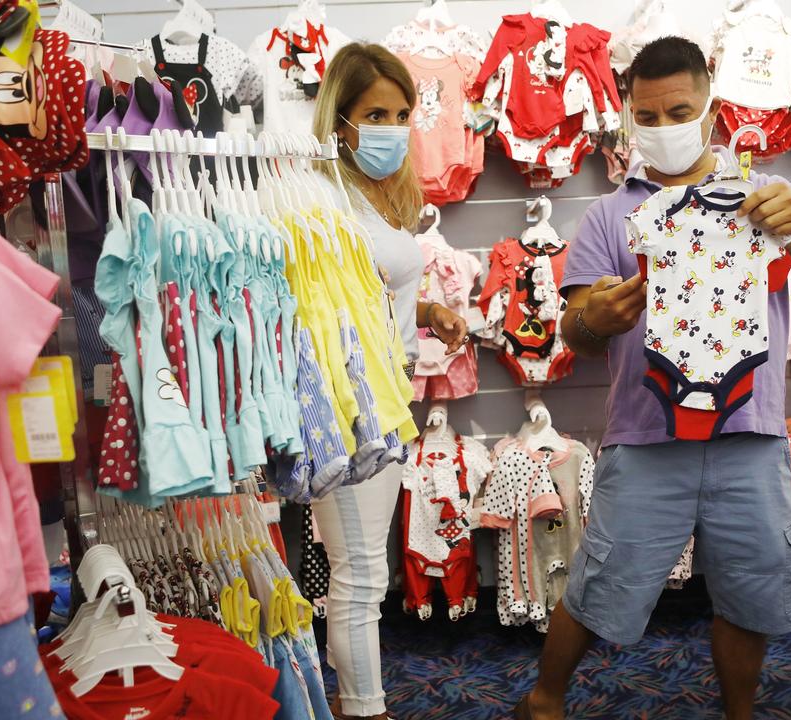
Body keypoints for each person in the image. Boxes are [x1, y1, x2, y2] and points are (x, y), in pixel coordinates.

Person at [516, 37, 791, 720]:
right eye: (648, 115)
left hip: (749, 434)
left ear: (711, 109)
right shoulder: (610, 216)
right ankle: (544, 699)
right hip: (645, 436)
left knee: (753, 586)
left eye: (679, 110)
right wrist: (599, 318)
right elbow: (574, 332)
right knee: (603, 579)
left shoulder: (763, 199)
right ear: (629, 117)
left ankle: (740, 712)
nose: (663, 127)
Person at [311, 42, 469, 720]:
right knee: (358, 574)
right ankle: (364, 707)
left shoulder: (377, 192)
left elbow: (380, 283)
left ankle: (356, 701)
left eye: (402, 112)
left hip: (386, 391)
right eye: (376, 112)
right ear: (339, 119)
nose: (392, 127)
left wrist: (428, 310)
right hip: (351, 400)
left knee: (363, 568)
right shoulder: (318, 196)